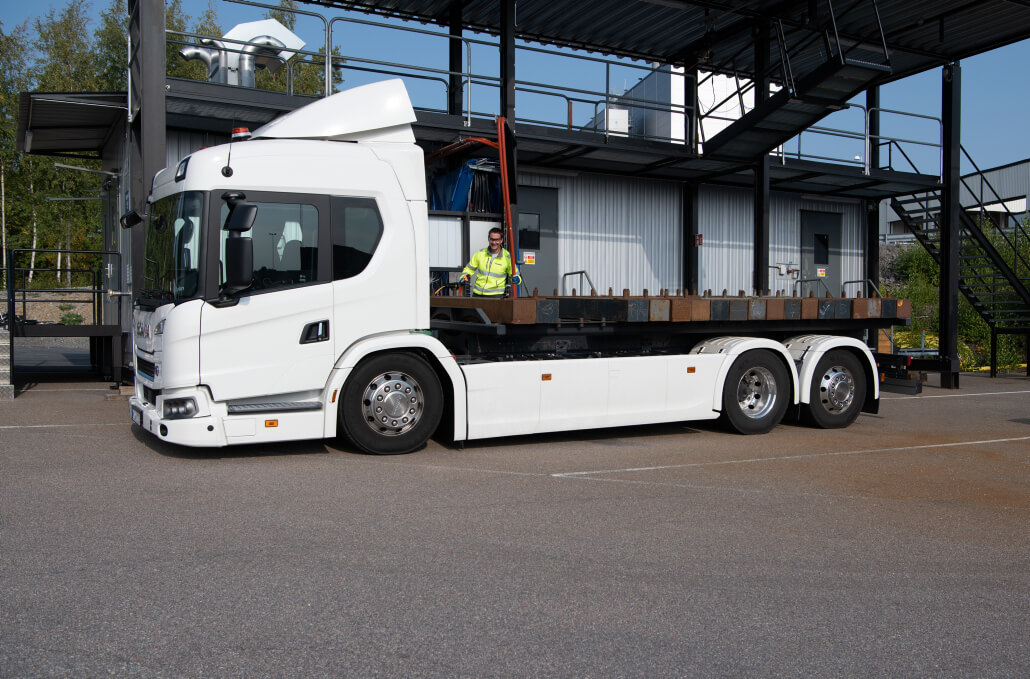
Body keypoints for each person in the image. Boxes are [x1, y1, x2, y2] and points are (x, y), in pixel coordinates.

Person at [460, 226, 521, 297]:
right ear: (488, 239)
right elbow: (469, 269)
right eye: (492, 239)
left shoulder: (507, 257)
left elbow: (515, 274)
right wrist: (463, 277)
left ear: (501, 240)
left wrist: (517, 279)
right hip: (477, 294)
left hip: (496, 296)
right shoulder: (480, 253)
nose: (494, 242)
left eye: (497, 240)